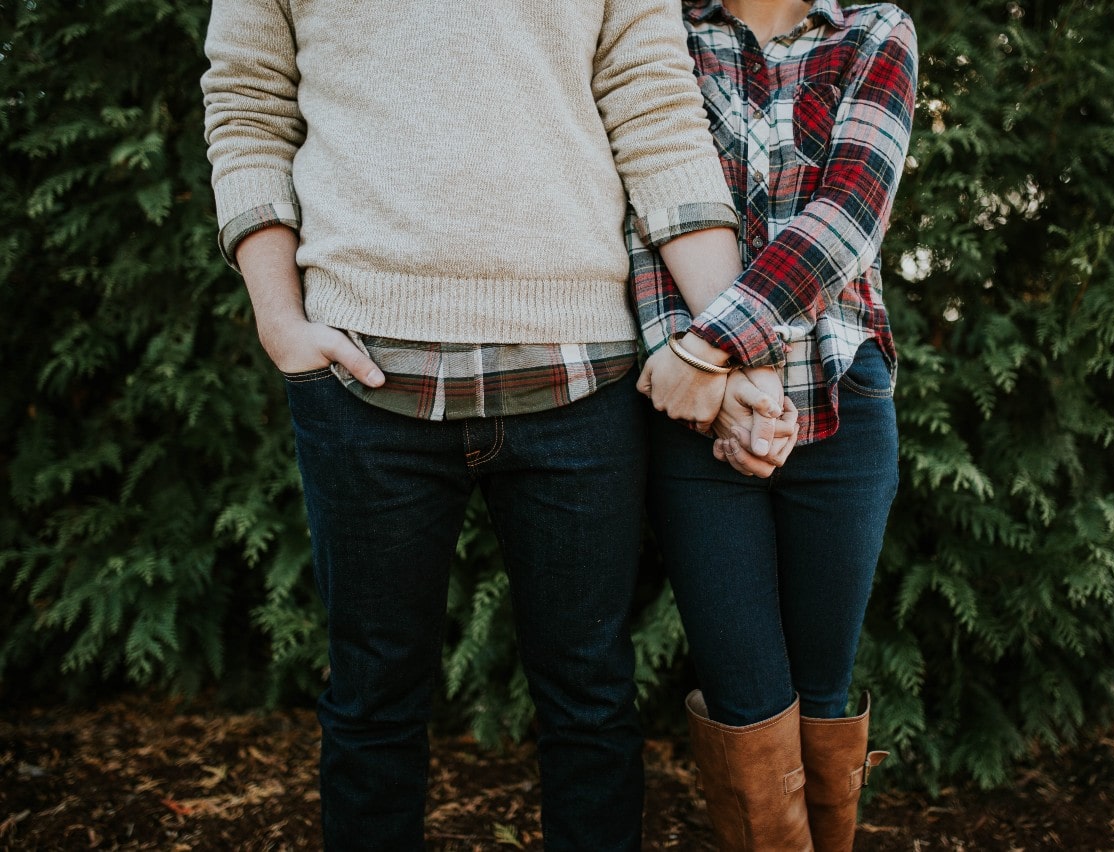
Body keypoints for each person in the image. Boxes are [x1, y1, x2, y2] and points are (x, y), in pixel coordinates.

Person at [200, 1, 757, 849]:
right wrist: (280, 320)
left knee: (591, 703)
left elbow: (657, 116)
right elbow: (246, 106)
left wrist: (732, 341)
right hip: (363, 378)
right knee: (371, 700)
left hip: (581, 379)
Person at [629, 0, 918, 848]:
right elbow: (643, 210)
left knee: (823, 699)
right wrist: (707, 381)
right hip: (695, 412)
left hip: (839, 396)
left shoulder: (872, 30)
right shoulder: (660, 30)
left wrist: (714, 350)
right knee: (746, 706)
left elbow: (850, 213)